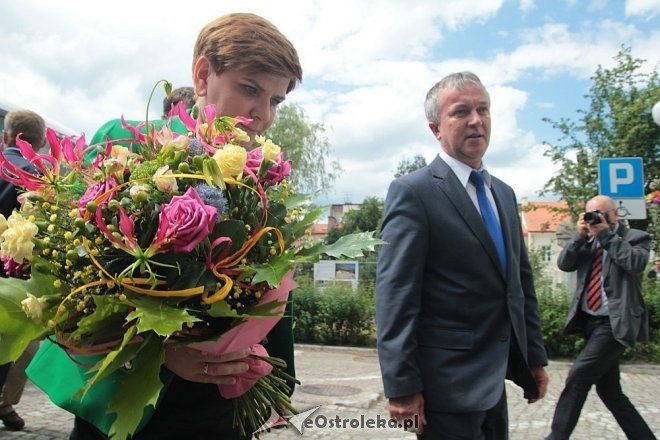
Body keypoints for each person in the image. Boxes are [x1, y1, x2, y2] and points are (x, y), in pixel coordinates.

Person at [27, 12, 302, 440]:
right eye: (250, 89)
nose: (263, 113)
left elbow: (274, 287)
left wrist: (269, 376)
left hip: (218, 407)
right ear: (203, 74)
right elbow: (56, 278)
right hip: (122, 403)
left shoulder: (265, 176)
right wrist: (160, 352)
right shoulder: (123, 143)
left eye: (276, 100)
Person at [375, 71, 549, 439]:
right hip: (444, 386)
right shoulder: (414, 192)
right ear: (436, 128)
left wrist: (533, 357)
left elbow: (519, 283)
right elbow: (396, 295)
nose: (476, 120)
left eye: (483, 109)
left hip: (495, 381)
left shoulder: (503, 193)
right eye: (461, 112)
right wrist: (402, 386)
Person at [546, 195, 656, 440]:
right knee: (610, 392)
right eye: (590, 214)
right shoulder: (587, 240)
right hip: (592, 323)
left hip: (616, 323)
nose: (595, 218)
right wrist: (580, 236)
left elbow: (635, 264)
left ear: (615, 214)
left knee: (577, 378)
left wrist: (606, 234)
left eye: (600, 213)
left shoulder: (635, 237)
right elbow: (565, 264)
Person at [0, 109, 47, 431]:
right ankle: (4, 405)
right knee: (11, 344)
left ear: (6, 136)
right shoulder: (36, 174)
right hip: (12, 277)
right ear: (42, 141)